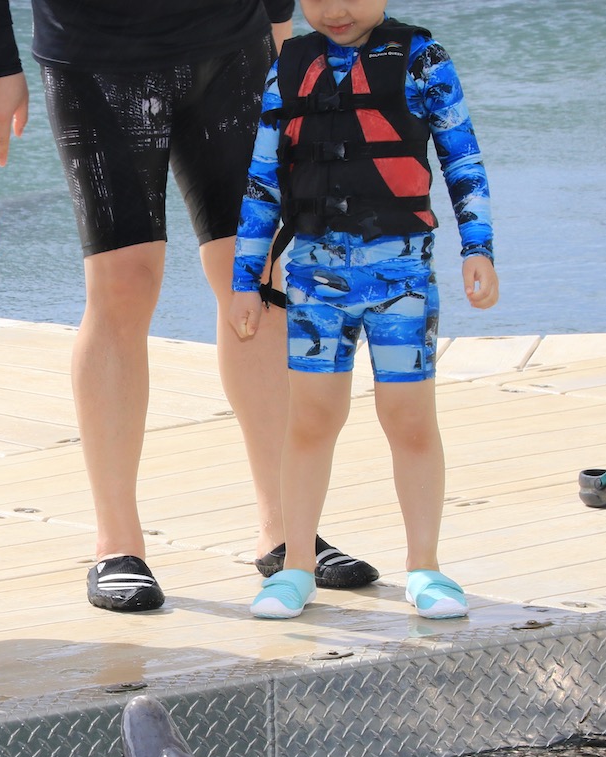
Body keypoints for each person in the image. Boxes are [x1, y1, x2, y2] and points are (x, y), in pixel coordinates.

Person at [0, 0, 380, 615]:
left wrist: (282, 30)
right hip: (95, 56)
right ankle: (118, 542)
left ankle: (287, 530)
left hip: (233, 40)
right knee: (125, 280)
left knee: (254, 274)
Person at [231, 0, 499, 619]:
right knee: (311, 420)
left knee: (409, 419)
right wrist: (247, 279)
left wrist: (477, 247)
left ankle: (425, 566)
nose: (335, 9)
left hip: (401, 277)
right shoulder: (290, 66)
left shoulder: (421, 59)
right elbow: (263, 178)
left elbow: (463, 157)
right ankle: (296, 564)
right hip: (313, 284)